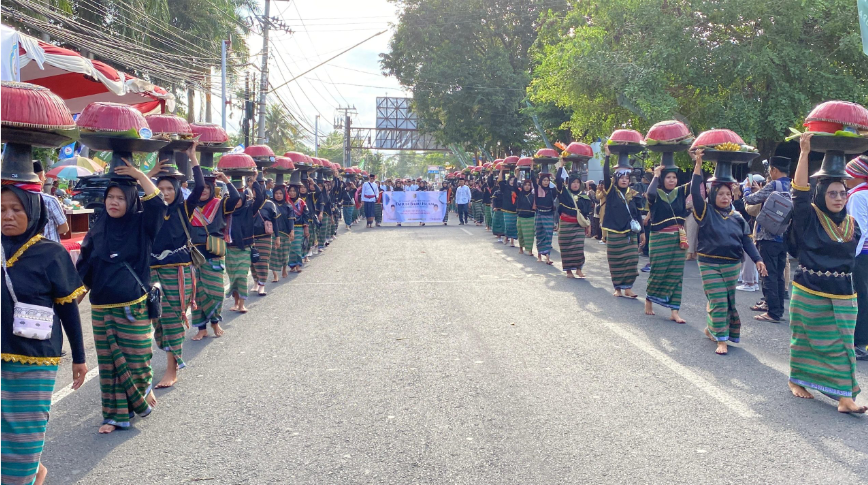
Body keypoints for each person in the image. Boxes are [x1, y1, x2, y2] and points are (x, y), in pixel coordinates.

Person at [2, 182, 88, 485]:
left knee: (24, 432)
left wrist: (79, 357)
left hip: (35, 360)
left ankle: (24, 476)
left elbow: (68, 310)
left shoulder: (51, 254)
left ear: (34, 211)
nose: (7, 216)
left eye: (16, 209)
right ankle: (34, 472)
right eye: (1, 209)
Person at [76, 159, 167, 434]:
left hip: (134, 307)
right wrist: (71, 301)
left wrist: (139, 174)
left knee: (138, 359)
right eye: (109, 197)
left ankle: (143, 390)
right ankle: (114, 416)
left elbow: (159, 204)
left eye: (119, 198)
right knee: (109, 365)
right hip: (102, 309)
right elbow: (85, 267)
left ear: (130, 200)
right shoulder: (98, 229)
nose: (113, 203)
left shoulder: (143, 225)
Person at [786, 134, 865, 413]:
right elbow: (799, 191)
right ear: (821, 194)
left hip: (844, 294)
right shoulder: (809, 216)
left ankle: (845, 398)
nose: (839, 198)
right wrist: (805, 153)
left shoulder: (852, 224)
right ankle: (797, 381)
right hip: (808, 290)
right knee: (805, 339)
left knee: (844, 344)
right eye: (832, 193)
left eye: (843, 193)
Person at [690, 150, 765, 355]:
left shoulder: (738, 217)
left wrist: (758, 260)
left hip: (732, 265)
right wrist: (698, 164)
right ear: (713, 194)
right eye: (720, 193)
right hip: (708, 263)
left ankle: (714, 329)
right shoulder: (704, 212)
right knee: (718, 299)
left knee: (728, 299)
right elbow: (696, 193)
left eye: (728, 194)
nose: (725, 197)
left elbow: (746, 241)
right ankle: (722, 340)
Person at [147, 143, 204, 388]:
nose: (165, 192)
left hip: (178, 271)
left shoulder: (184, 207)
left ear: (178, 189)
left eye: (170, 188)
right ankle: (167, 357)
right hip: (151, 272)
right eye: (160, 188)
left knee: (171, 319)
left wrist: (192, 157)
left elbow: (200, 186)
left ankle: (172, 369)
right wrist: (148, 173)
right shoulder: (149, 210)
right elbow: (131, 193)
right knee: (156, 321)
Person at [190, 169, 241, 340]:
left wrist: (226, 180)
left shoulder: (220, 204)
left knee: (216, 291)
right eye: (200, 187)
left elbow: (235, 198)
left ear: (212, 188)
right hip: (194, 255)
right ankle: (201, 328)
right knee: (197, 293)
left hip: (214, 253)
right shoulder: (189, 205)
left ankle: (215, 321)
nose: (203, 190)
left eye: (206, 187)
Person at [744, 156, 792, 323]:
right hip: (784, 237)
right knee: (778, 275)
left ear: (774, 170)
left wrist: (747, 190)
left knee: (768, 274)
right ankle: (777, 309)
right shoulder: (792, 186)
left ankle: (772, 312)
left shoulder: (774, 185)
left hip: (768, 236)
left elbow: (751, 200)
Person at [644, 164, 690, 323]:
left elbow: (697, 184)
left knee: (677, 274)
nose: (672, 180)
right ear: (662, 180)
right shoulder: (656, 194)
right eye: (668, 177)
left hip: (678, 239)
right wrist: (655, 175)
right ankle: (649, 300)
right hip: (659, 238)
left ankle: (674, 311)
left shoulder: (680, 192)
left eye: (674, 177)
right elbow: (649, 193)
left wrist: (697, 163)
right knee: (658, 270)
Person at [601, 149, 645, 297]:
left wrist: (643, 232)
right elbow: (605, 175)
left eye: (627, 177)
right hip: (614, 232)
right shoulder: (611, 191)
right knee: (616, 261)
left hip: (631, 233)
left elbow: (638, 214)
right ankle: (618, 288)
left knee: (632, 260)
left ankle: (628, 288)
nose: (624, 180)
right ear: (616, 178)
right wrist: (607, 156)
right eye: (621, 177)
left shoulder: (634, 194)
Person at [227, 175, 264, 313]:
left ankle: (242, 304)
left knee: (242, 276)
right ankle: (236, 302)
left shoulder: (249, 209)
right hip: (230, 249)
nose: (236, 201)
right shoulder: (227, 212)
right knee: (233, 278)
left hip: (244, 249)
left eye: (239, 198)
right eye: (233, 199)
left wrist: (254, 182)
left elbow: (260, 199)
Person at [845, 155, 868, 361]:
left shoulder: (857, 197)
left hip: (862, 255)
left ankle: (859, 343)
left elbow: (857, 230)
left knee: (861, 297)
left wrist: (852, 257)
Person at [554, 163, 593, 278]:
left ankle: (578, 269)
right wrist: (560, 166)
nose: (575, 185)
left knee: (578, 247)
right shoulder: (564, 192)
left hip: (578, 225)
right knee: (565, 247)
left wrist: (588, 226)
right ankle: (568, 271)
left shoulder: (584, 196)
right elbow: (557, 180)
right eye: (573, 182)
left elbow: (586, 213)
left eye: (577, 182)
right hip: (565, 225)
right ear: (569, 183)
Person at [251, 181, 279, 296]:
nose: (254, 192)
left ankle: (262, 285)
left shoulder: (269, 204)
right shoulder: (249, 203)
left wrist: (277, 237)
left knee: (262, 261)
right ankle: (256, 281)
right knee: (252, 261)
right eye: (253, 190)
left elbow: (275, 222)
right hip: (251, 237)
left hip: (265, 237)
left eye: (256, 190)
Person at [33, 161, 69, 242]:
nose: (45, 179)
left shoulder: (18, 199)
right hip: (50, 248)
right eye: (44, 176)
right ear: (40, 177)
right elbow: (64, 228)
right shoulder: (50, 200)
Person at [269, 184, 294, 281]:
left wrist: (292, 231)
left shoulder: (288, 206)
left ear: (284, 194)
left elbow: (291, 219)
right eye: (276, 193)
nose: (278, 195)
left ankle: (284, 268)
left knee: (284, 253)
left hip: (285, 233)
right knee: (273, 254)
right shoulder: (270, 204)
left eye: (280, 193)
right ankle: (275, 275)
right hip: (273, 233)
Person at [531, 170, 556, 264]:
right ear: (541, 181)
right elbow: (533, 179)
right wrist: (532, 168)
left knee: (548, 235)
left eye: (547, 180)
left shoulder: (552, 191)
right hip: (539, 214)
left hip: (549, 214)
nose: (546, 182)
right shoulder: (537, 189)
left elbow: (560, 188)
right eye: (544, 180)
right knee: (540, 234)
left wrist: (554, 178)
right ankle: (539, 255)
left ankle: (548, 257)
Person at [287, 182, 310, 273]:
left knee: (297, 246)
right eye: (290, 191)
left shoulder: (301, 202)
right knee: (290, 248)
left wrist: (306, 228)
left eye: (294, 191)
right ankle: (292, 265)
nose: (292, 193)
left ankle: (298, 264)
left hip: (299, 227)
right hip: (288, 228)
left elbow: (305, 215)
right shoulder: (286, 202)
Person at [515, 176, 536, 256]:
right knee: (520, 234)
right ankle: (521, 248)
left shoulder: (533, 196)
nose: (527, 186)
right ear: (523, 186)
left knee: (530, 235)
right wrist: (517, 175)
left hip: (530, 217)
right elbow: (514, 186)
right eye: (525, 185)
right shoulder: (519, 194)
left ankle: (530, 250)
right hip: (520, 217)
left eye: (529, 185)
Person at [498, 169, 519, 246]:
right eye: (511, 180)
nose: (512, 182)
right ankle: (507, 236)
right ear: (508, 180)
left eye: (514, 180)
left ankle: (512, 241)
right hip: (506, 209)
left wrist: (517, 173)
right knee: (508, 225)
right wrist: (501, 169)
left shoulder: (517, 189)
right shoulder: (505, 188)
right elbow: (500, 181)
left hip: (515, 209)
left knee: (514, 225)